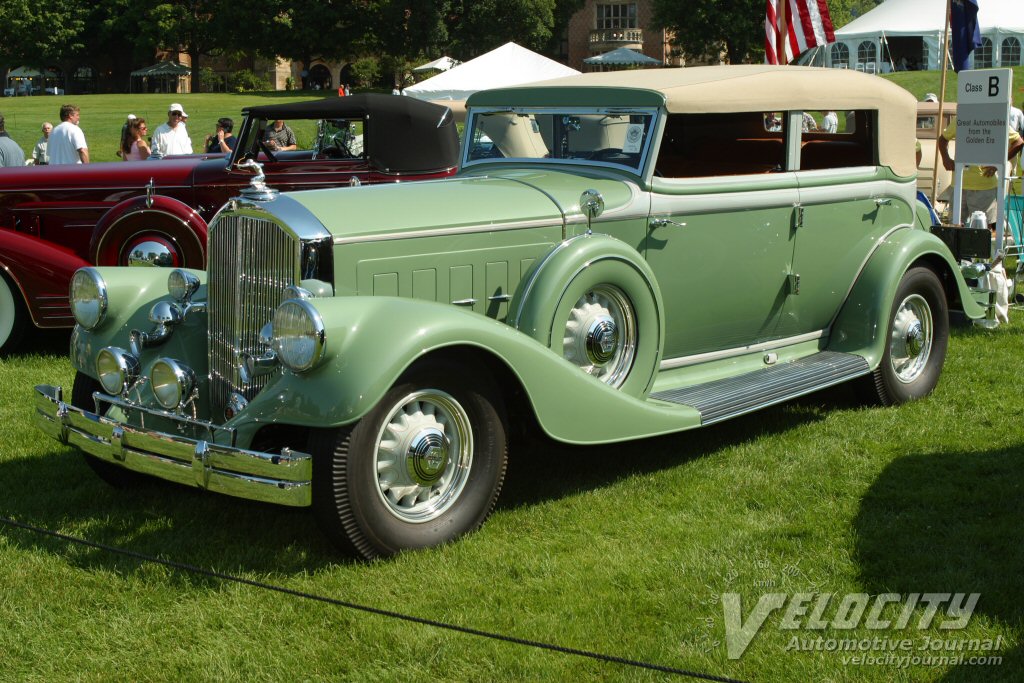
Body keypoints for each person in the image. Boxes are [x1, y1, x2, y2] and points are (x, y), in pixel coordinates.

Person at [938, 115, 1023, 227]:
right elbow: (943, 139)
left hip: (985, 186)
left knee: (984, 230)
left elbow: (1018, 142)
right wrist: (945, 158)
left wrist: (998, 163)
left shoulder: (996, 118)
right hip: (959, 184)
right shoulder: (962, 118)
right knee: (955, 228)